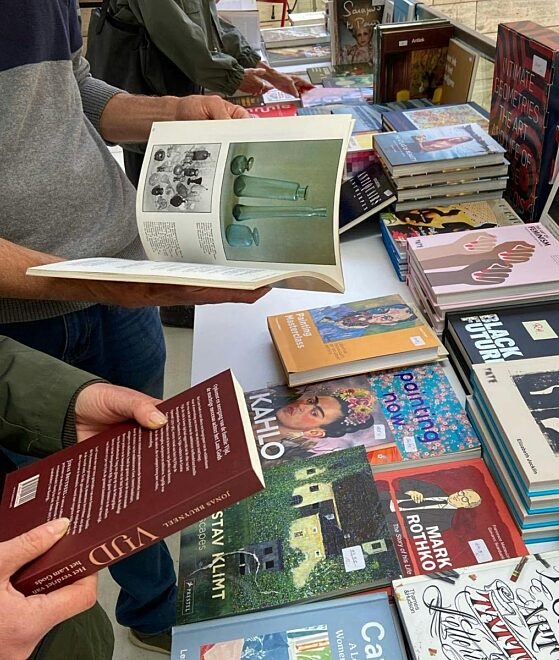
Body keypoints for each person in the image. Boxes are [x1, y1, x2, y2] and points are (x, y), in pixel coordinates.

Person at [0, 2, 267, 653]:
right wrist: (91, 278)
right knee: (50, 528)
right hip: (21, 332)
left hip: (118, 280)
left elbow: (73, 89)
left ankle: (154, 609)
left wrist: (173, 114)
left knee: (145, 472)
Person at [0, 335, 174, 659]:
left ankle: (154, 618)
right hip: (21, 623)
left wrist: (65, 403)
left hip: (55, 627)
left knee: (129, 487)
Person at [93, 0, 315, 186]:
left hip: (179, 86)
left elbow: (210, 24)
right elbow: (179, 34)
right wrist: (235, 76)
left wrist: (268, 72)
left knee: (186, 176)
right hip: (148, 96)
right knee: (156, 182)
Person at [311, 302, 417, 341]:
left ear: (390, 324)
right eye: (382, 310)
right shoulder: (338, 307)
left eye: (386, 318)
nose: (375, 315)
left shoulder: (351, 336)